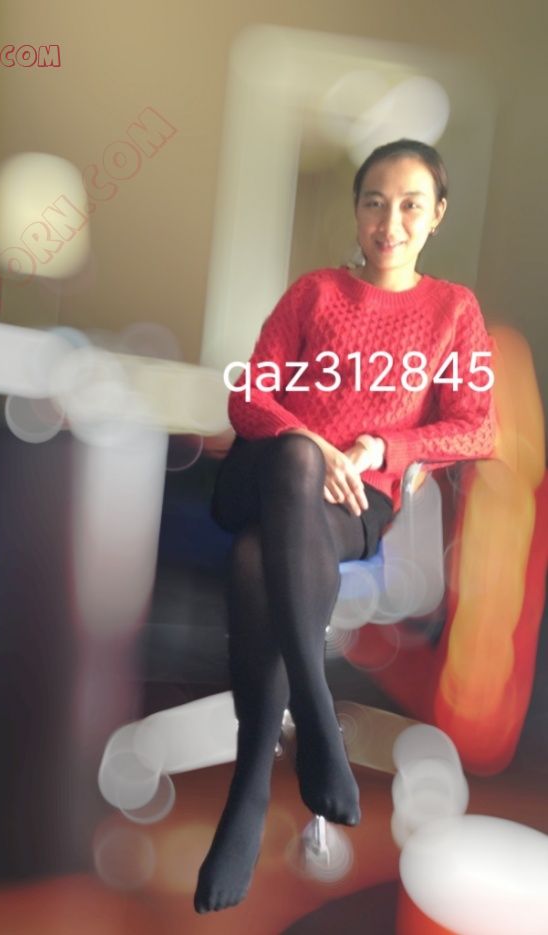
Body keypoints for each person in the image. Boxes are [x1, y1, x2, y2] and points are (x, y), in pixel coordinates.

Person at [193, 139, 497, 913]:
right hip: (269, 475)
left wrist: (382, 448)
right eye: (374, 202)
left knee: (257, 561)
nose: (390, 222)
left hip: (357, 506)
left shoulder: (453, 310)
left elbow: (477, 426)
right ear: (357, 210)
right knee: (295, 459)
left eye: (410, 205)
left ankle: (249, 787)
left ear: (436, 215)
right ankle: (316, 715)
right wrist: (315, 443)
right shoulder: (315, 292)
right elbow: (249, 397)